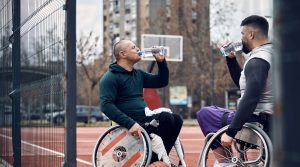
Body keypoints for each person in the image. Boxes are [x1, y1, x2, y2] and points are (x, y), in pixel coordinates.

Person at [196, 15, 273, 166]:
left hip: (259, 121)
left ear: (251, 34)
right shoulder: (275, 54)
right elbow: (246, 86)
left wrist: (231, 132)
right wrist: (231, 60)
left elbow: (250, 98)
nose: (241, 39)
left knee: (205, 114)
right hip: (274, 118)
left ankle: (225, 162)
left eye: (242, 34)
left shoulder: (257, 60)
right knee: (216, 110)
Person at [99, 39, 183, 164]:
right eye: (133, 47)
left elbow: (162, 81)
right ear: (123, 54)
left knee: (176, 119)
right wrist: (130, 124)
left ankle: (152, 159)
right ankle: (153, 160)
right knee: (165, 118)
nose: (138, 49)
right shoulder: (110, 77)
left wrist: (161, 62)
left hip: (144, 120)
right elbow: (106, 106)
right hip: (128, 124)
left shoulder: (138, 74)